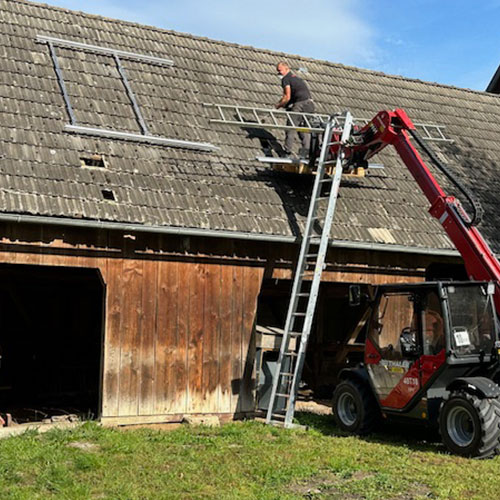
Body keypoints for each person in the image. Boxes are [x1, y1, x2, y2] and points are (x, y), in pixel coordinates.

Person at [275, 62, 315, 158]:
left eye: (280, 70)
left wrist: (278, 105)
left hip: (300, 104)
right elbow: (294, 96)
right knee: (303, 129)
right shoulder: (296, 78)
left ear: (286, 69)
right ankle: (306, 153)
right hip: (310, 105)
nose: (279, 73)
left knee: (291, 127)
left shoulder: (286, 79)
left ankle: (287, 152)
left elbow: (287, 97)